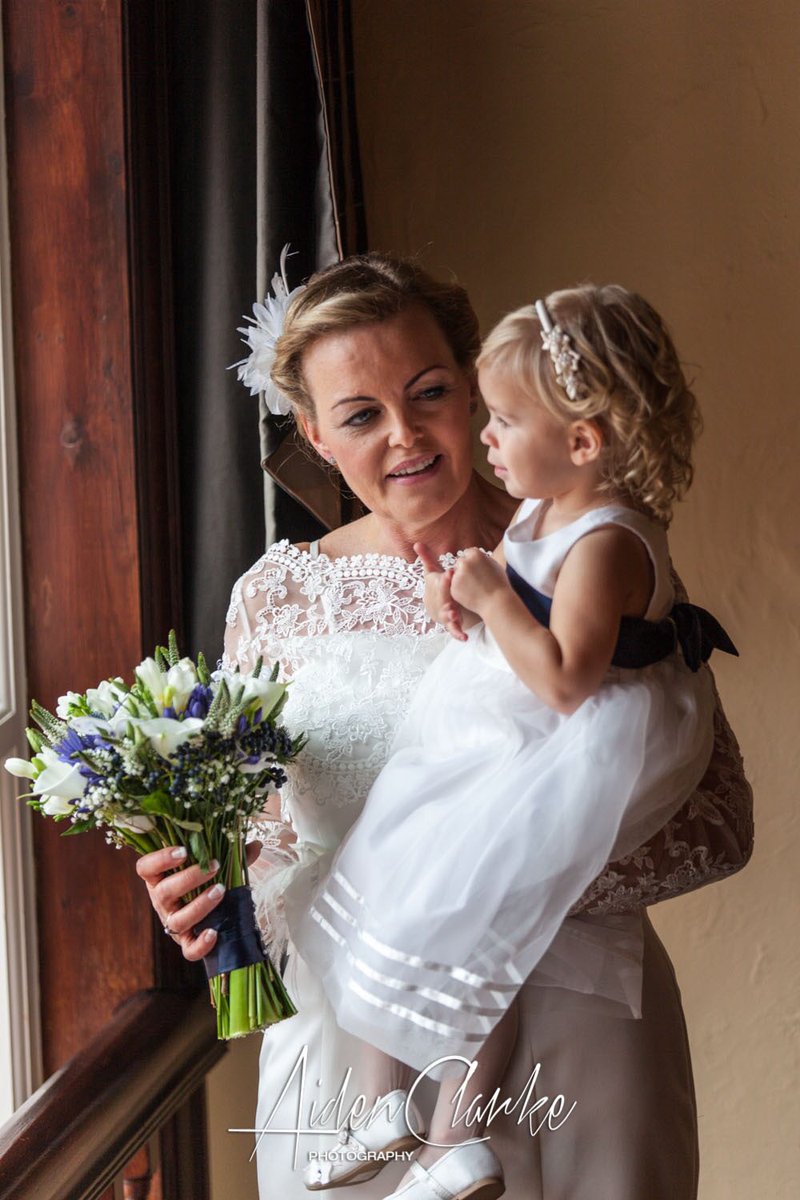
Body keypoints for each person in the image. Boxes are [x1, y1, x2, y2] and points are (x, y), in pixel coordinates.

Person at [136, 255, 752, 1200]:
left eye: (429, 392)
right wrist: (211, 898)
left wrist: (490, 887)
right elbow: (263, 851)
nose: (405, 435)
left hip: (576, 1036)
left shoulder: (584, 554)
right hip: (350, 1052)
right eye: (360, 415)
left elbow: (719, 822)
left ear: (475, 390)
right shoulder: (279, 599)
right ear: (312, 433)